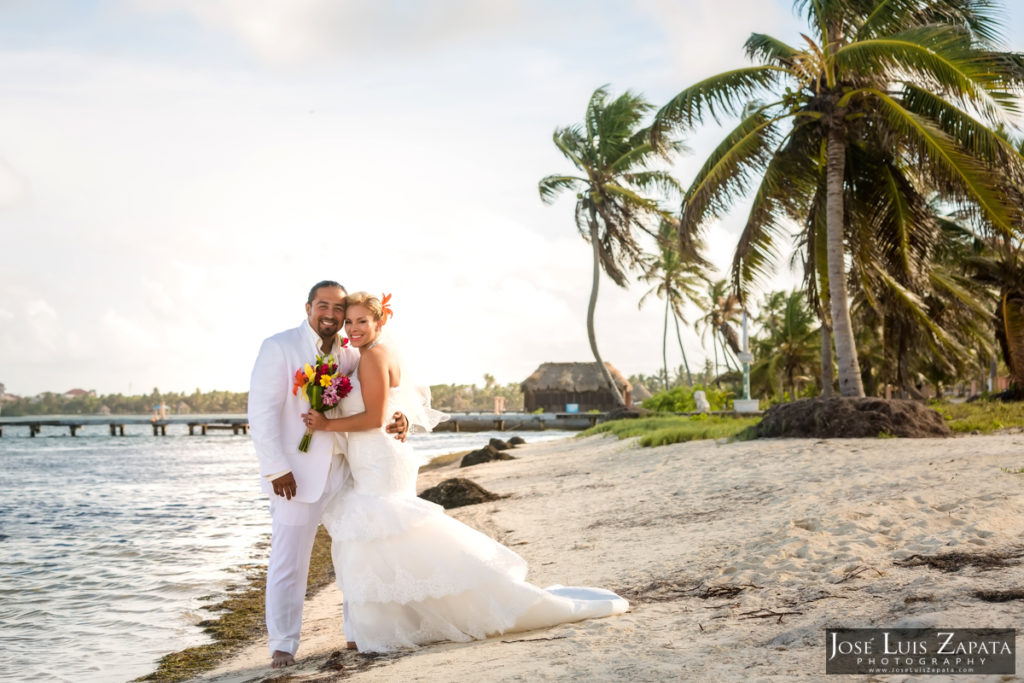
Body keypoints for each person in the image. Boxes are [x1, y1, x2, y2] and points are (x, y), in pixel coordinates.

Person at [304, 292, 628, 653]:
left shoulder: (373, 356)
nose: (353, 328)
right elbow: (392, 409)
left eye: (362, 321)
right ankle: (392, 623)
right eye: (349, 322)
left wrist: (324, 425)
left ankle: (388, 627)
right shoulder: (370, 355)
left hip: (377, 457)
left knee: (383, 533)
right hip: (377, 455)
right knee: (384, 538)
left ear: (380, 322)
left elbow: (376, 417)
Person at [248, 281, 410, 669]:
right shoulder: (279, 347)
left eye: (339, 308)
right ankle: (283, 644)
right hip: (295, 476)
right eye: (324, 306)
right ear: (308, 308)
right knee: (289, 560)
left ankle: (357, 631)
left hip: (345, 471)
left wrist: (400, 418)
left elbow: (380, 394)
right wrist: (276, 468)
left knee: (354, 549)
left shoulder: (349, 352)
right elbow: (261, 412)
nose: (332, 314)